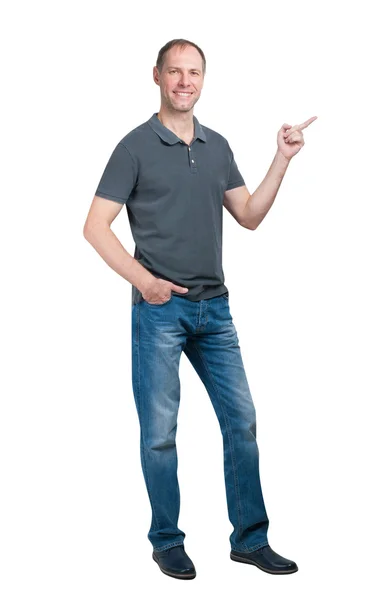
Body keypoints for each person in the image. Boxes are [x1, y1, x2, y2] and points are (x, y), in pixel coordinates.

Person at [84, 38, 314, 580]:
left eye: (195, 73)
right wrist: (146, 283)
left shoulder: (217, 146)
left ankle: (250, 540)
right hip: (159, 313)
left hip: (216, 312)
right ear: (157, 76)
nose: (185, 81)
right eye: (175, 72)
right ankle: (166, 540)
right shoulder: (134, 147)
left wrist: (281, 159)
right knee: (160, 433)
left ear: (202, 80)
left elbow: (250, 215)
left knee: (242, 422)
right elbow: (95, 226)